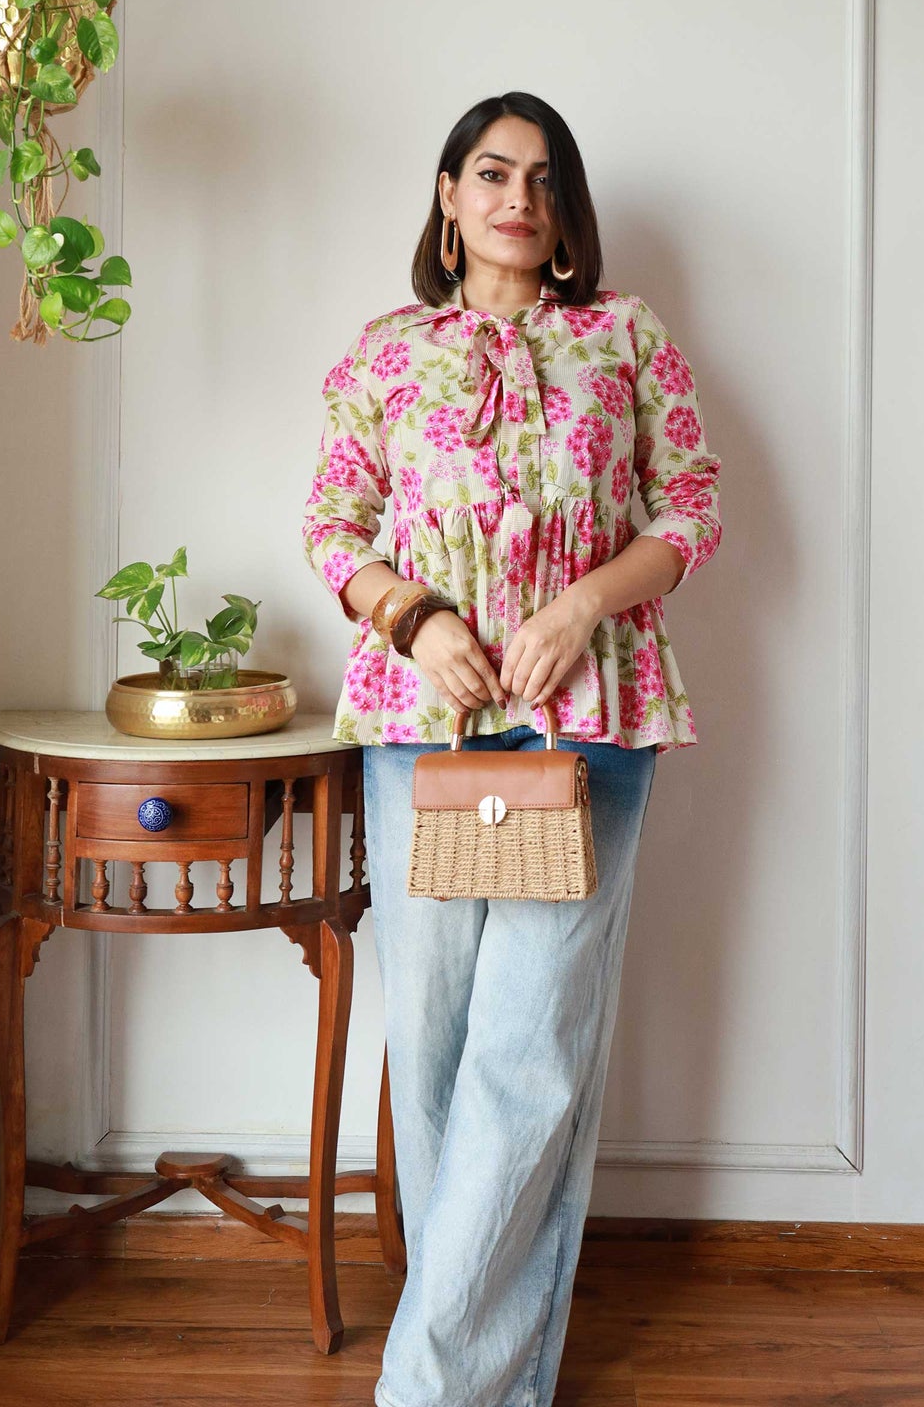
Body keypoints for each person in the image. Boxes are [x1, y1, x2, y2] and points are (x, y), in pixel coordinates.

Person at [300, 90, 721, 1407]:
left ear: (566, 208)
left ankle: (429, 1389)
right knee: (432, 1051)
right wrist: (417, 619)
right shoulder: (385, 352)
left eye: (543, 179)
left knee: (527, 1056)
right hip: (419, 732)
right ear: (449, 194)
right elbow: (332, 525)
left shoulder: (625, 338)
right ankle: (485, 1377)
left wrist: (583, 605)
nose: (518, 200)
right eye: (492, 173)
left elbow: (691, 507)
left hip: (587, 727)